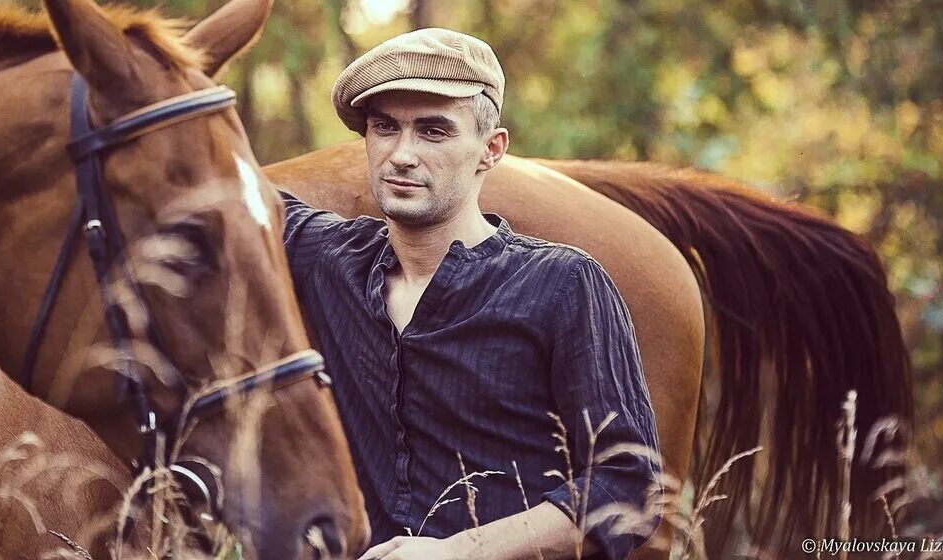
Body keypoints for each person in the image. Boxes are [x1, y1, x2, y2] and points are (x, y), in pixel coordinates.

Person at [278, 28, 662, 560]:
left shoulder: (563, 283)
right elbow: (211, 179)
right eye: (384, 127)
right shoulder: (330, 260)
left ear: (491, 149)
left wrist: (459, 551)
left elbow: (630, 488)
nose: (401, 155)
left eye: (433, 131)